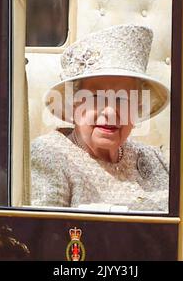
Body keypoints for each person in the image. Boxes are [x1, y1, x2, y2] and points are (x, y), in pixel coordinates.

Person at [30, 24, 170, 211]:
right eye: (95, 97)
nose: (111, 113)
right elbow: (47, 235)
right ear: (74, 104)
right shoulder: (50, 155)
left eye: (122, 99)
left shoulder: (153, 158)